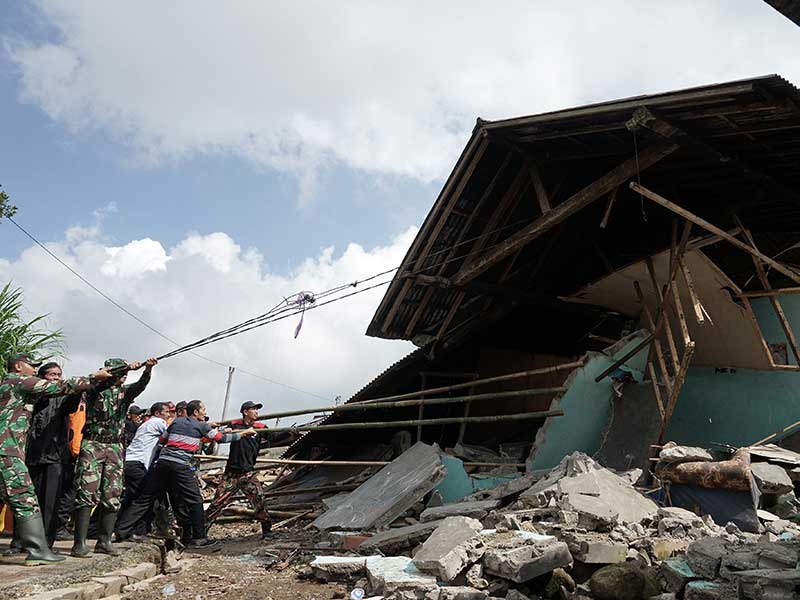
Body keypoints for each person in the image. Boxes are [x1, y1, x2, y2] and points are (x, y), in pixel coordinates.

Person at [0, 352, 111, 565]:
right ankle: (38, 550)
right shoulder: (20, 381)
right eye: (31, 365)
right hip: (7, 451)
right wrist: (95, 376)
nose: (34, 369)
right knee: (25, 498)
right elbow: (61, 387)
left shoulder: (8, 385)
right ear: (17, 367)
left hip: (9, 450)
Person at [114, 400, 256, 549]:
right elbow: (222, 439)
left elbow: (162, 439)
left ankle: (121, 531)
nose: (205, 413)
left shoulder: (176, 422)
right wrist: (244, 433)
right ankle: (199, 538)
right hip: (180, 466)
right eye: (203, 410)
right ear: (196, 412)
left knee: (145, 498)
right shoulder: (201, 426)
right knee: (195, 500)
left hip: (162, 464)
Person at [71, 357, 157, 558]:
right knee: (86, 491)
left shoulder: (124, 393)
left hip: (115, 447)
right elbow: (92, 384)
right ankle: (79, 544)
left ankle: (104, 541)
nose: (124, 376)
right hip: (93, 444)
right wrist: (120, 370)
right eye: (121, 372)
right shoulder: (95, 388)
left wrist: (146, 370)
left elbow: (140, 386)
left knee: (112, 493)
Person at [205, 401, 297, 538]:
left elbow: (273, 437)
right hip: (231, 474)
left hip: (248, 473)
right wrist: (225, 431)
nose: (256, 412)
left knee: (260, 502)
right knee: (217, 503)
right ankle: (200, 533)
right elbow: (222, 435)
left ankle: (267, 532)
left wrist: (289, 431)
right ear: (245, 412)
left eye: (256, 409)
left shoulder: (260, 427)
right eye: (253, 409)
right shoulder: (235, 425)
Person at [24, 362, 84, 547]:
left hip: (55, 456)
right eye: (52, 374)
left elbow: (72, 404)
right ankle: (21, 541)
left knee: (51, 502)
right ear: (42, 377)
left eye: (58, 375)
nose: (56, 378)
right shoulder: (31, 395)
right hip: (31, 455)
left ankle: (46, 543)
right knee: (27, 500)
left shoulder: (64, 398)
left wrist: (76, 390)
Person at [117, 402, 170, 537]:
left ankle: (109, 528)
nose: (168, 415)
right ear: (157, 413)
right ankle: (127, 531)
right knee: (144, 499)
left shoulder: (146, 425)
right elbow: (173, 433)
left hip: (129, 462)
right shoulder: (158, 422)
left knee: (131, 497)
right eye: (166, 412)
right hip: (137, 464)